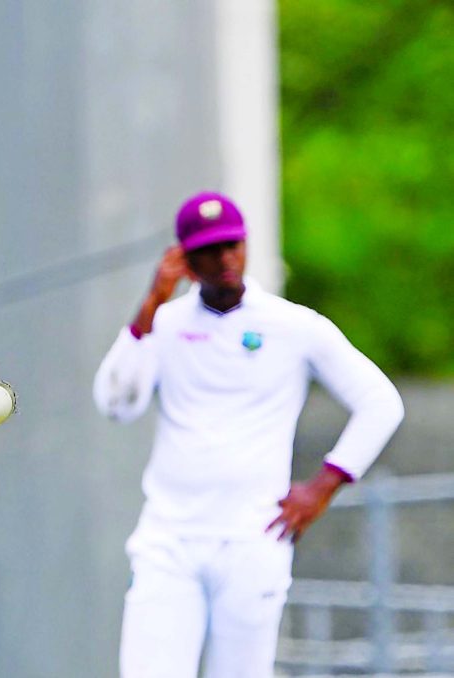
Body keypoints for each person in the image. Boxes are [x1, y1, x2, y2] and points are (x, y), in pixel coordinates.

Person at [92, 191, 404, 678]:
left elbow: (381, 403)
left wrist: (322, 488)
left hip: (253, 539)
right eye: (209, 251)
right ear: (185, 260)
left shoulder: (294, 325)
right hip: (169, 538)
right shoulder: (165, 323)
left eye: (232, 245)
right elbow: (114, 404)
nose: (225, 259)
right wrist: (151, 304)